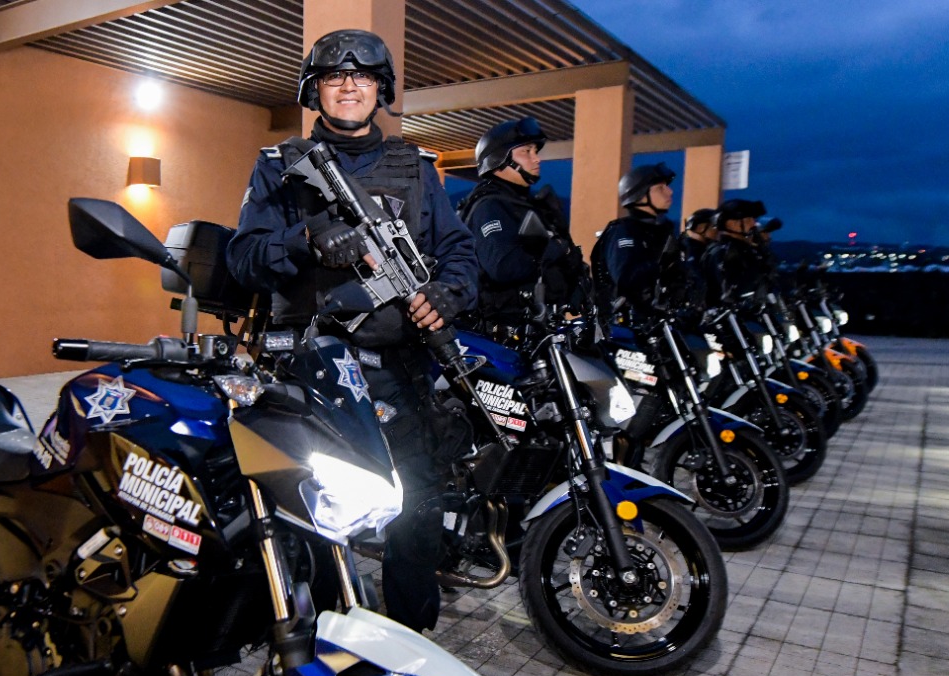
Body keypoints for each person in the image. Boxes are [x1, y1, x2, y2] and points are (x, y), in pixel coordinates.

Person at [226, 28, 477, 632]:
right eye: (334, 77)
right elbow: (243, 258)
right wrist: (304, 238)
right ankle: (318, 639)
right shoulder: (279, 167)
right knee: (312, 515)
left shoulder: (417, 169)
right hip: (308, 371)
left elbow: (460, 250)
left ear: (380, 89)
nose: (348, 86)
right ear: (313, 90)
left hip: (397, 370)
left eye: (361, 76)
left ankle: (410, 639)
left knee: (418, 506)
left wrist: (449, 292)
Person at [457, 116, 586, 323]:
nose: (536, 159)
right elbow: (503, 267)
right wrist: (553, 250)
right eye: (526, 152)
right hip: (502, 330)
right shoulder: (489, 207)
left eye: (535, 152)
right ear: (500, 159)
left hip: (541, 325)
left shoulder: (527, 206)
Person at [591, 162, 685, 323]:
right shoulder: (623, 231)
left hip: (657, 323)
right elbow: (627, 280)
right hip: (624, 327)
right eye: (660, 188)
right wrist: (662, 266)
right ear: (640, 195)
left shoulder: (661, 232)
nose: (669, 191)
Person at [701, 198, 770, 310]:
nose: (753, 224)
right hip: (726, 316)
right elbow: (732, 291)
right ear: (732, 224)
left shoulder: (747, 249)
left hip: (747, 314)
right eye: (748, 220)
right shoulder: (722, 252)